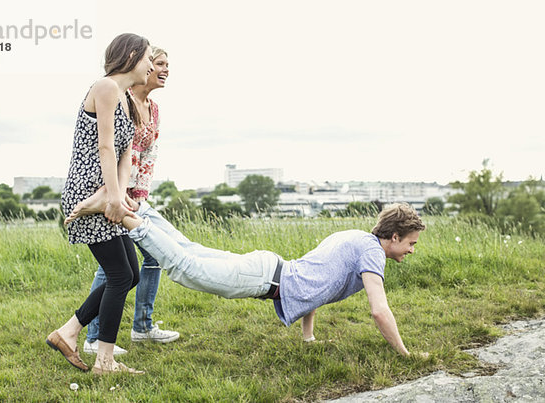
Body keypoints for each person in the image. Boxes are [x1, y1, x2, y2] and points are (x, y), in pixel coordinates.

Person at [66, 189, 426, 356]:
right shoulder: (372, 256)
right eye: (410, 243)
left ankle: (138, 206)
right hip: (264, 278)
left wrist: (309, 337)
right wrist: (406, 354)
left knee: (188, 250)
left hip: (269, 267)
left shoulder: (354, 237)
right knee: (184, 266)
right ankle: (122, 212)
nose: (410, 250)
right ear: (393, 237)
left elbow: (317, 286)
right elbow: (379, 310)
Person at [46, 33, 153, 375]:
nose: (151, 65)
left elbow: (124, 156)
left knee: (130, 273)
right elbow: (105, 147)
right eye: (149, 57)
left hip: (106, 191)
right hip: (86, 188)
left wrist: (119, 197)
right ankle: (104, 361)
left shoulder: (125, 98)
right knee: (121, 275)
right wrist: (110, 196)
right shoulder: (106, 87)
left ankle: (68, 332)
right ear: (133, 55)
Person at [83, 46, 179, 357]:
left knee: (153, 256)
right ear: (144, 66)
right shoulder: (120, 99)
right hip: (113, 193)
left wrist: (139, 195)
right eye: (158, 62)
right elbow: (116, 149)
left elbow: (149, 155)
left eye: (167, 64)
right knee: (115, 267)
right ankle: (94, 336)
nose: (164, 69)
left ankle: (142, 327)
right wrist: (119, 193)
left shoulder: (154, 109)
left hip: (136, 197)